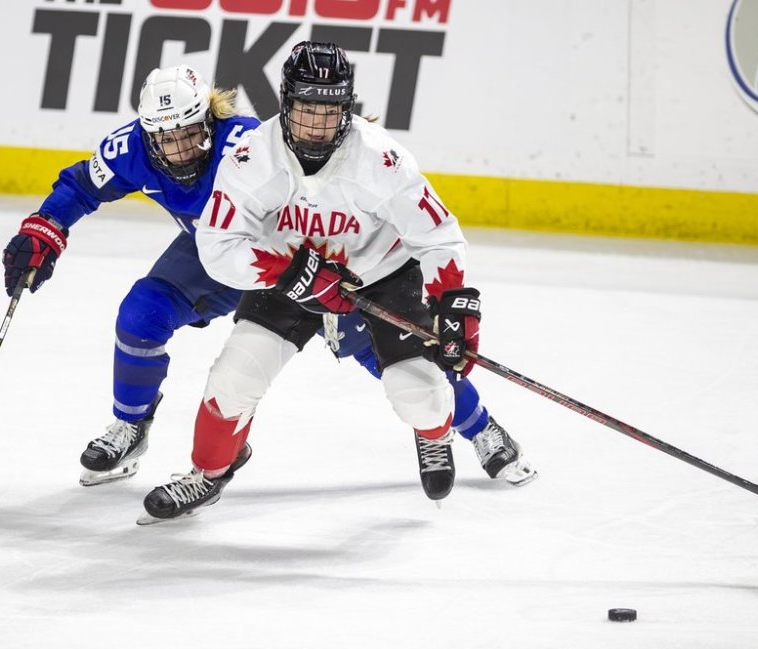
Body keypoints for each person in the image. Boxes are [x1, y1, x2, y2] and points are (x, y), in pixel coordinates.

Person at [0, 63, 537, 492]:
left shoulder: (248, 143)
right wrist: (45, 228)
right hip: (224, 255)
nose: (180, 150)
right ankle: (131, 425)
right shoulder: (133, 148)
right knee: (141, 315)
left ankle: (476, 426)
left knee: (395, 359)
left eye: (190, 134)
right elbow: (79, 186)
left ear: (209, 122)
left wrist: (329, 271)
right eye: (166, 139)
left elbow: (349, 204)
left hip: (298, 257)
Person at [140, 42, 529, 524]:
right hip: (289, 274)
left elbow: (438, 235)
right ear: (286, 102)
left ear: (347, 109)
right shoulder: (250, 157)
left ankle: (434, 433)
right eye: (305, 109)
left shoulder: (381, 160)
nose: (316, 125)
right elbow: (217, 245)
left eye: (328, 111)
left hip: (381, 275)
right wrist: (286, 272)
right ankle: (208, 473)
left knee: (420, 394)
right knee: (232, 378)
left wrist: (454, 303)